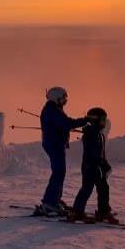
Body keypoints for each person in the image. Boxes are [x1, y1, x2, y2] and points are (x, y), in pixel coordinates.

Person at [36, 86, 87, 216]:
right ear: (57, 97)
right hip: (54, 144)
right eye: (63, 98)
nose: (65, 100)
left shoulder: (53, 109)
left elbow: (63, 124)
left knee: (59, 172)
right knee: (58, 172)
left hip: (55, 144)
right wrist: (85, 120)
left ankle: (54, 199)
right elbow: (67, 123)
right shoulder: (52, 110)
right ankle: (50, 202)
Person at [68, 107, 117, 223]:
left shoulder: (97, 133)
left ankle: (103, 212)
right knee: (87, 188)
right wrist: (100, 163)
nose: (104, 122)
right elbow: (92, 152)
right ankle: (77, 212)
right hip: (90, 166)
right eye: (102, 120)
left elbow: (99, 151)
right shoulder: (91, 134)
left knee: (103, 187)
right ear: (96, 120)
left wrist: (103, 163)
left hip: (96, 165)